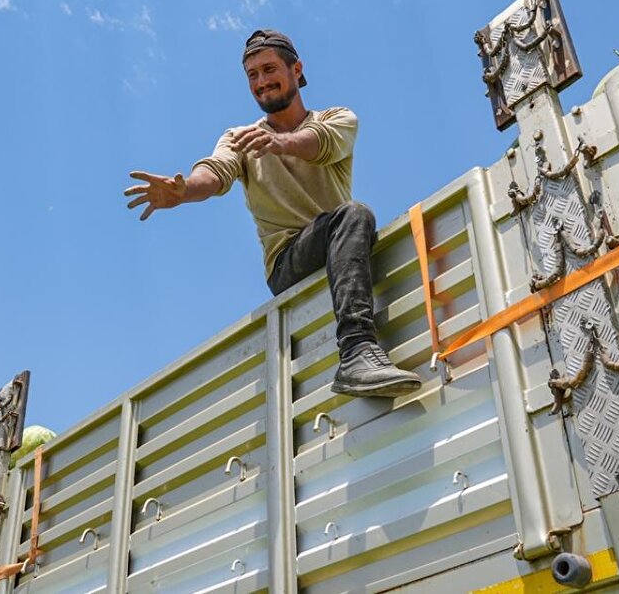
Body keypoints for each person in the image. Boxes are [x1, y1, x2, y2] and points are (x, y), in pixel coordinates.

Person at [125, 29, 421, 398]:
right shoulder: (239, 137)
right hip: (287, 261)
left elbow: (321, 144)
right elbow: (217, 172)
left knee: (352, 215)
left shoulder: (338, 118)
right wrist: (184, 191)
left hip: (336, 241)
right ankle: (357, 352)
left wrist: (280, 143)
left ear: (296, 70)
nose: (261, 81)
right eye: (252, 75)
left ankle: (359, 352)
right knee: (353, 215)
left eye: (269, 69)